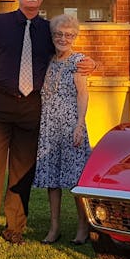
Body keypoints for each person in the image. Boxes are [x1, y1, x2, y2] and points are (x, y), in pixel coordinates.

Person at [0, 0, 94, 250]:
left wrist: (91, 63)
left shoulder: (47, 30)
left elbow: (66, 49)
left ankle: (15, 229)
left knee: (22, 171)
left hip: (31, 107)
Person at [34, 13, 91, 245]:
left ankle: (83, 226)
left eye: (68, 35)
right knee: (52, 179)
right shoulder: (48, 61)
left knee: (75, 179)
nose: (63, 38)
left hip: (70, 126)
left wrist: (79, 125)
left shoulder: (78, 61)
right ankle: (54, 227)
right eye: (58, 34)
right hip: (49, 126)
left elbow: (83, 94)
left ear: (75, 37)